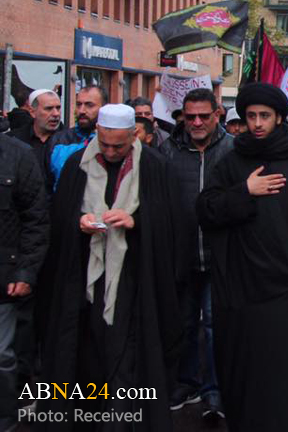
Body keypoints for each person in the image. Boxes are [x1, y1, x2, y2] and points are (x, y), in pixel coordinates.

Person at [196, 83, 288, 432]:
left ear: (279, 117)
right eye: (251, 116)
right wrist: (244, 192)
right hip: (245, 286)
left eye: (265, 116)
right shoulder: (233, 159)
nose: (258, 123)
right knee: (253, 368)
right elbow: (207, 209)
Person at [39, 104, 182, 430]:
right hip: (84, 282)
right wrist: (80, 221)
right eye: (104, 144)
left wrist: (137, 221)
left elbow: (173, 226)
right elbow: (58, 219)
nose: (110, 151)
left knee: (128, 358)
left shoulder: (156, 167)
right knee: (84, 355)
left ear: (134, 136)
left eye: (118, 145)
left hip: (135, 282)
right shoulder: (78, 165)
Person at [158, 88, 234, 421]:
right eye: (190, 117)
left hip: (220, 256)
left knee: (216, 325)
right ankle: (186, 382)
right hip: (182, 256)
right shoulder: (168, 151)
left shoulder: (233, 150)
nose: (197, 122)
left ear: (217, 114)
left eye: (204, 115)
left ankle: (214, 390)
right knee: (183, 324)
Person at [0, 133, 49, 432]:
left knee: (2, 356)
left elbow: (36, 219)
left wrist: (25, 272)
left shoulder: (18, 155)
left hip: (4, 278)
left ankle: (5, 420)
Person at [46, 85, 107, 190]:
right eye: (79, 104)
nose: (82, 110)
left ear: (104, 108)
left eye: (89, 105)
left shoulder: (112, 141)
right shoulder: (59, 140)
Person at [10, 89, 61, 189]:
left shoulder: (71, 142)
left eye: (58, 108)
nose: (56, 114)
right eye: (48, 108)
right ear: (32, 111)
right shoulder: (13, 141)